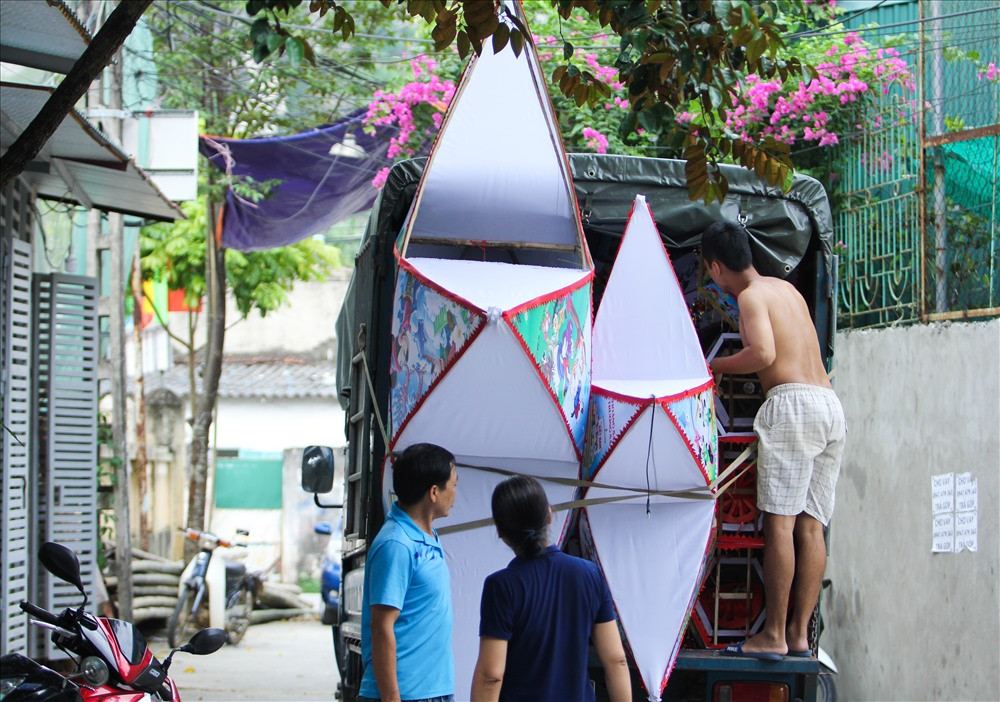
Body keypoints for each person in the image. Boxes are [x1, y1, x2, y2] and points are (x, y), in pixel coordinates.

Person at [701, 220, 846, 661]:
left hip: (793, 406)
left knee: (780, 524)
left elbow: (763, 354)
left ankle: (774, 635)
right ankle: (800, 635)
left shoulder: (749, 297)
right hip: (829, 406)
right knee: (811, 525)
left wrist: (716, 367)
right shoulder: (787, 290)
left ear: (715, 266)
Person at [470, 475, 631, 702]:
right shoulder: (589, 574)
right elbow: (616, 660)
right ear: (549, 515)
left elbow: (491, 676)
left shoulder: (502, 586)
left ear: (500, 531)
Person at [358, 443, 458, 702]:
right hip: (406, 695)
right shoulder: (397, 544)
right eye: (454, 485)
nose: (455, 493)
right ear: (434, 492)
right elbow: (381, 627)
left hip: (432, 691)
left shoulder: (426, 536)